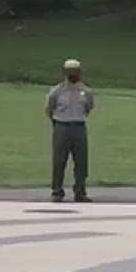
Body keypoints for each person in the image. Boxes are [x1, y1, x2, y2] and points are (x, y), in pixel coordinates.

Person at [46, 58, 96, 204]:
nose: (73, 74)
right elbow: (49, 108)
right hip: (61, 125)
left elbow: (88, 109)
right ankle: (57, 191)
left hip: (79, 126)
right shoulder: (57, 91)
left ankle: (80, 191)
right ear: (65, 72)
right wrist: (57, 122)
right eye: (70, 71)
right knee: (59, 160)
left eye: (76, 71)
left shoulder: (86, 91)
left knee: (81, 162)